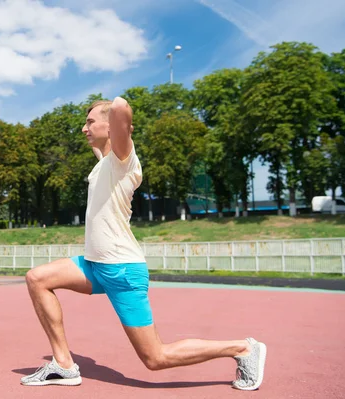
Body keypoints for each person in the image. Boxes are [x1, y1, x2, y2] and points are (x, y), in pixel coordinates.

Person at [20, 97, 267, 390]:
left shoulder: (123, 161)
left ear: (111, 126)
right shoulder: (103, 164)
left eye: (90, 122)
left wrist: (115, 113)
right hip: (95, 265)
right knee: (37, 278)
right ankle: (63, 364)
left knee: (155, 358)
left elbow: (122, 108)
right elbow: (107, 140)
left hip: (122, 270)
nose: (84, 129)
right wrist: (102, 131)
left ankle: (243, 349)